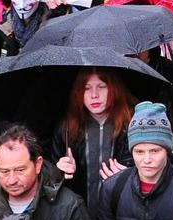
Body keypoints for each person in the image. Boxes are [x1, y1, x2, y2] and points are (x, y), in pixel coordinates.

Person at [52, 67, 137, 209]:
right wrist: (59, 170)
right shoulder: (67, 128)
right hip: (80, 216)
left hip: (122, 214)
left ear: (114, 88)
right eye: (87, 88)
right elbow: (49, 176)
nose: (94, 95)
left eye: (102, 87)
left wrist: (130, 175)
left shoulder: (132, 123)